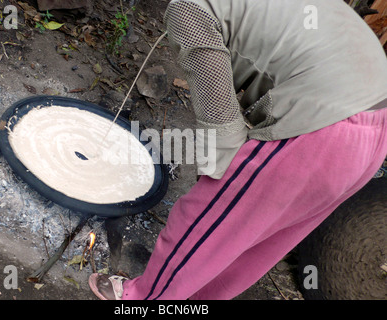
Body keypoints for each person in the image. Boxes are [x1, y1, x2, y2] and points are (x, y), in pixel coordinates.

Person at [88, 0, 387, 300]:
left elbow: (223, 127)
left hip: (322, 129)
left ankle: (142, 299)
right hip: (374, 136)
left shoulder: (189, 8)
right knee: (258, 238)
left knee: (206, 220)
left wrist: (218, 181)